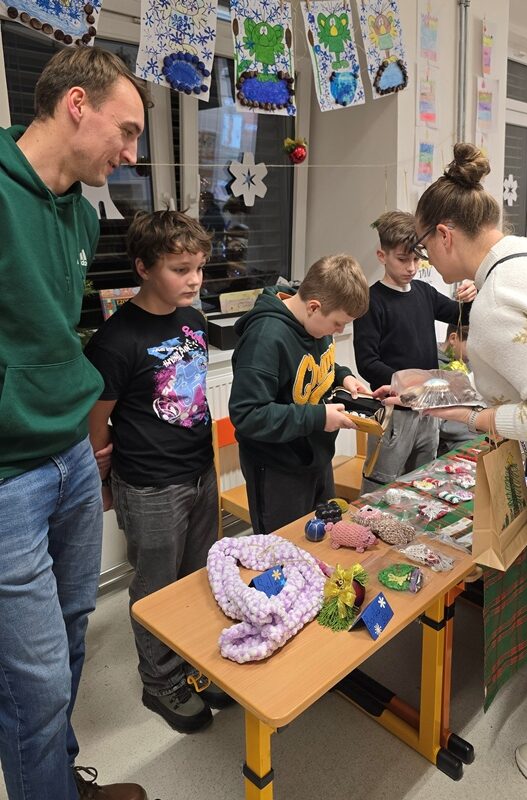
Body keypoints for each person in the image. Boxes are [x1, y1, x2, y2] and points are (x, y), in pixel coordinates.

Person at [383, 142, 527, 799]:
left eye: (424, 248)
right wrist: (435, 387)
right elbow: (524, 374)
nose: (427, 262)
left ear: (444, 234)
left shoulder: (496, 302)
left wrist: (480, 419)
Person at [0, 46, 150, 800]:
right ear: (77, 105)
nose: (131, 155)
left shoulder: (82, 215)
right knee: (33, 683)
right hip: (8, 482)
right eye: (127, 132)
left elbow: (53, 337)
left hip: (70, 459)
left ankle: (57, 781)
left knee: (68, 644)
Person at [85, 210, 232, 734]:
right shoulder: (114, 340)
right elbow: (96, 421)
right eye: (180, 269)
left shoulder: (193, 320)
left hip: (199, 470)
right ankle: (160, 680)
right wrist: (104, 479)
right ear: (144, 267)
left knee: (197, 576)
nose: (194, 280)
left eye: (199, 268)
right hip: (150, 485)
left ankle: (193, 661)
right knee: (156, 586)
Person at [229, 254, 369, 534]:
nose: (340, 331)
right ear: (314, 307)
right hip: (277, 469)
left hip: (315, 458)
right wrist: (318, 417)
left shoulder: (315, 324)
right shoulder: (265, 336)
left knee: (324, 538)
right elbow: (248, 414)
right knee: (285, 550)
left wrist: (344, 376)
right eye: (338, 323)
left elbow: (313, 365)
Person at [353, 210, 476, 494]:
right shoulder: (371, 301)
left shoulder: (423, 292)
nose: (411, 267)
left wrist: (471, 293)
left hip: (428, 411)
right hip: (394, 413)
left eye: (416, 259)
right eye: (402, 259)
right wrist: (408, 383)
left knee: (423, 481)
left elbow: (461, 315)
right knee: (381, 484)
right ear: (382, 256)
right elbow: (367, 362)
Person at [437, 324, 474, 454]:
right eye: (472, 346)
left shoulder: (467, 362)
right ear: (453, 338)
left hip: (475, 429)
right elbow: (441, 422)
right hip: (454, 439)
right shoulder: (435, 366)